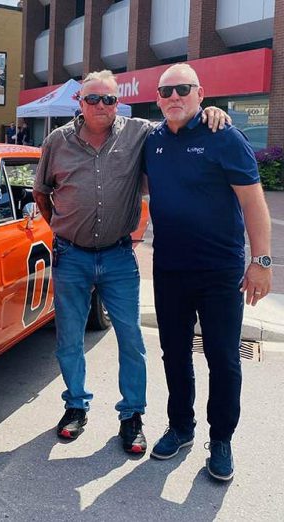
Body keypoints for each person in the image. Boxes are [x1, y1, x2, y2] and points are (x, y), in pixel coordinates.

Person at [32, 69, 229, 455]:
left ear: (118, 101)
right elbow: (42, 191)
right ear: (80, 102)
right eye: (94, 99)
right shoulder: (57, 141)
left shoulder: (139, 132)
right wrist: (59, 226)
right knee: (69, 338)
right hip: (71, 255)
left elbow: (178, 116)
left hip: (119, 255)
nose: (103, 106)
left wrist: (213, 113)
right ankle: (75, 406)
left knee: (131, 341)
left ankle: (132, 415)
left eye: (109, 99)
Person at [144, 64, 272, 482]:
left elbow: (254, 203)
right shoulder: (153, 139)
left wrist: (262, 261)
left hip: (221, 272)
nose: (174, 96)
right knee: (174, 354)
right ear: (158, 97)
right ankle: (180, 427)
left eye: (183, 89)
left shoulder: (225, 136)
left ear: (200, 93)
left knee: (223, 358)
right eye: (166, 91)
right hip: (170, 269)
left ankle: (221, 440)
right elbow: (104, 122)